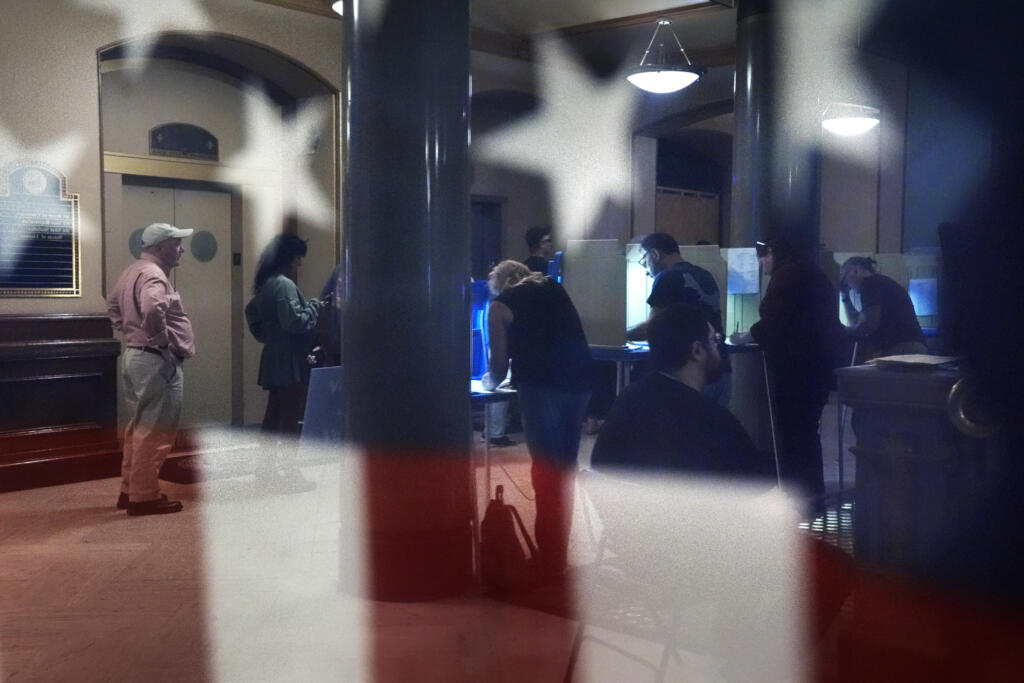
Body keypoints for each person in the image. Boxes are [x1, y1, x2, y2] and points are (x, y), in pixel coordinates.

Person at [483, 260, 592, 577]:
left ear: (501, 283)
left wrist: (488, 381)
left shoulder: (499, 306)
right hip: (580, 382)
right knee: (564, 469)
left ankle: (549, 559)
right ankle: (558, 554)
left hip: (541, 385)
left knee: (546, 472)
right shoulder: (554, 287)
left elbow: (499, 368)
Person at [592, 303, 773, 480]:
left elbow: (600, 464)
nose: (718, 347)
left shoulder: (627, 399)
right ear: (697, 351)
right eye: (714, 340)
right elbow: (753, 476)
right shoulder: (712, 419)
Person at [730, 238, 845, 505]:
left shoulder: (787, 276)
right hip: (818, 364)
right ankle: (812, 495)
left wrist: (747, 336)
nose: (760, 262)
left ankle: (802, 496)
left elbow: (775, 322)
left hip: (798, 368)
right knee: (806, 431)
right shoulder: (810, 271)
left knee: (795, 434)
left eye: (762, 256)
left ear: (772, 251)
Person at [106, 222, 195, 516]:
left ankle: (130, 489)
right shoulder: (155, 275)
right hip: (156, 360)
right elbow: (153, 307)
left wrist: (130, 333)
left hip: (135, 356)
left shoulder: (131, 271)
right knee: (155, 431)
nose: (181, 248)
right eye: (176, 243)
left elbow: (112, 306)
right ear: (159, 247)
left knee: (139, 428)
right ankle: (144, 496)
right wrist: (162, 344)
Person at [245, 233, 325, 486]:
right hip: (289, 358)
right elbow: (295, 321)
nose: (299, 264)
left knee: (273, 416)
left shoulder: (266, 284)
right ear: (289, 258)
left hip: (273, 355)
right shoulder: (284, 285)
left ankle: (265, 471)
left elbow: (252, 315)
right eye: (298, 259)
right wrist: (314, 306)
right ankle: (290, 474)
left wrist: (269, 335)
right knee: (291, 417)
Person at [626, 232, 731, 407]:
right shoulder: (705, 275)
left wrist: (621, 335)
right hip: (719, 368)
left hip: (689, 374)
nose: (646, 270)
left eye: (644, 261)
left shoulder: (666, 278)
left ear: (655, 254)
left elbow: (652, 328)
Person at [839, 256, 927, 360]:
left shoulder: (871, 283)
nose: (845, 284)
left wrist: (841, 331)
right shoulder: (880, 284)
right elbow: (858, 324)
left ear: (855, 271)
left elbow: (868, 325)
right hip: (909, 348)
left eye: (844, 277)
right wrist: (845, 297)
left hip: (903, 349)